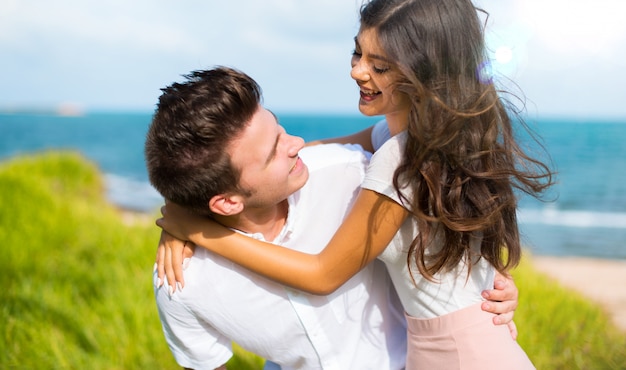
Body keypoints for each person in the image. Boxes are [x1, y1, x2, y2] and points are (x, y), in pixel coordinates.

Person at [156, 0, 553, 370]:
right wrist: (194, 197)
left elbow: (323, 274)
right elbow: (308, 151)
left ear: (425, 76)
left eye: (380, 67)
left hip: (457, 353)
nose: (358, 71)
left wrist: (198, 230)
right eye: (357, 52)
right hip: (472, 342)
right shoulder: (439, 137)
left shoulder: (400, 160)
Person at [146, 67, 519, 369]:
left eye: (280, 130)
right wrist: (184, 216)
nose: (296, 144)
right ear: (226, 203)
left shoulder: (355, 176)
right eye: (274, 151)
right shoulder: (183, 281)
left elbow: (450, 201)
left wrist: (489, 282)